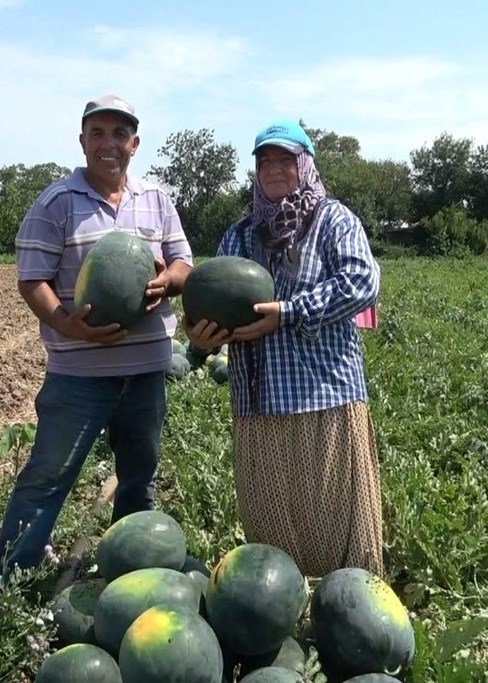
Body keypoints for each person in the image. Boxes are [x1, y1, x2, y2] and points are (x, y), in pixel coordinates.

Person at [0, 95, 194, 599]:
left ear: (134, 145)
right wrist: (64, 323)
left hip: (145, 370)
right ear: (82, 141)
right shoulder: (55, 203)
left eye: (119, 134)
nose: (108, 143)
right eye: (97, 133)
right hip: (78, 374)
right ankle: (6, 579)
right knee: (48, 474)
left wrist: (172, 281)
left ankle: (131, 570)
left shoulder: (157, 201)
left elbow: (184, 262)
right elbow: (32, 279)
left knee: (139, 474)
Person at [184, 119, 385, 578]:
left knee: (337, 521)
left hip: (326, 398)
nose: (274, 169)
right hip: (259, 402)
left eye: (285, 160)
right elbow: (211, 295)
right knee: (273, 526)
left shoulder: (334, 220)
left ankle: (347, 608)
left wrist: (289, 311)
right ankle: (281, 612)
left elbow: (362, 283)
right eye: (265, 161)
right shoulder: (238, 236)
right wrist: (199, 335)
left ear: (305, 165)